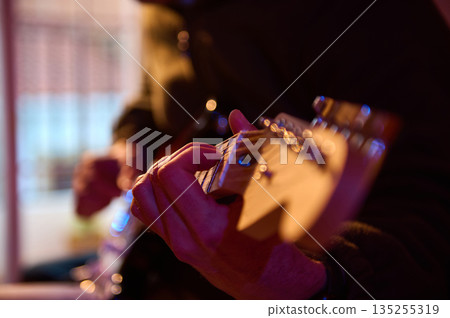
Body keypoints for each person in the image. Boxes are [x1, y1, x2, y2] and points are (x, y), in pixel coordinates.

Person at [74, 0, 450, 299]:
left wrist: (301, 281)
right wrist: (128, 147)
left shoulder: (370, 14)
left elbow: (431, 206)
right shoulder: (158, 10)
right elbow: (155, 105)